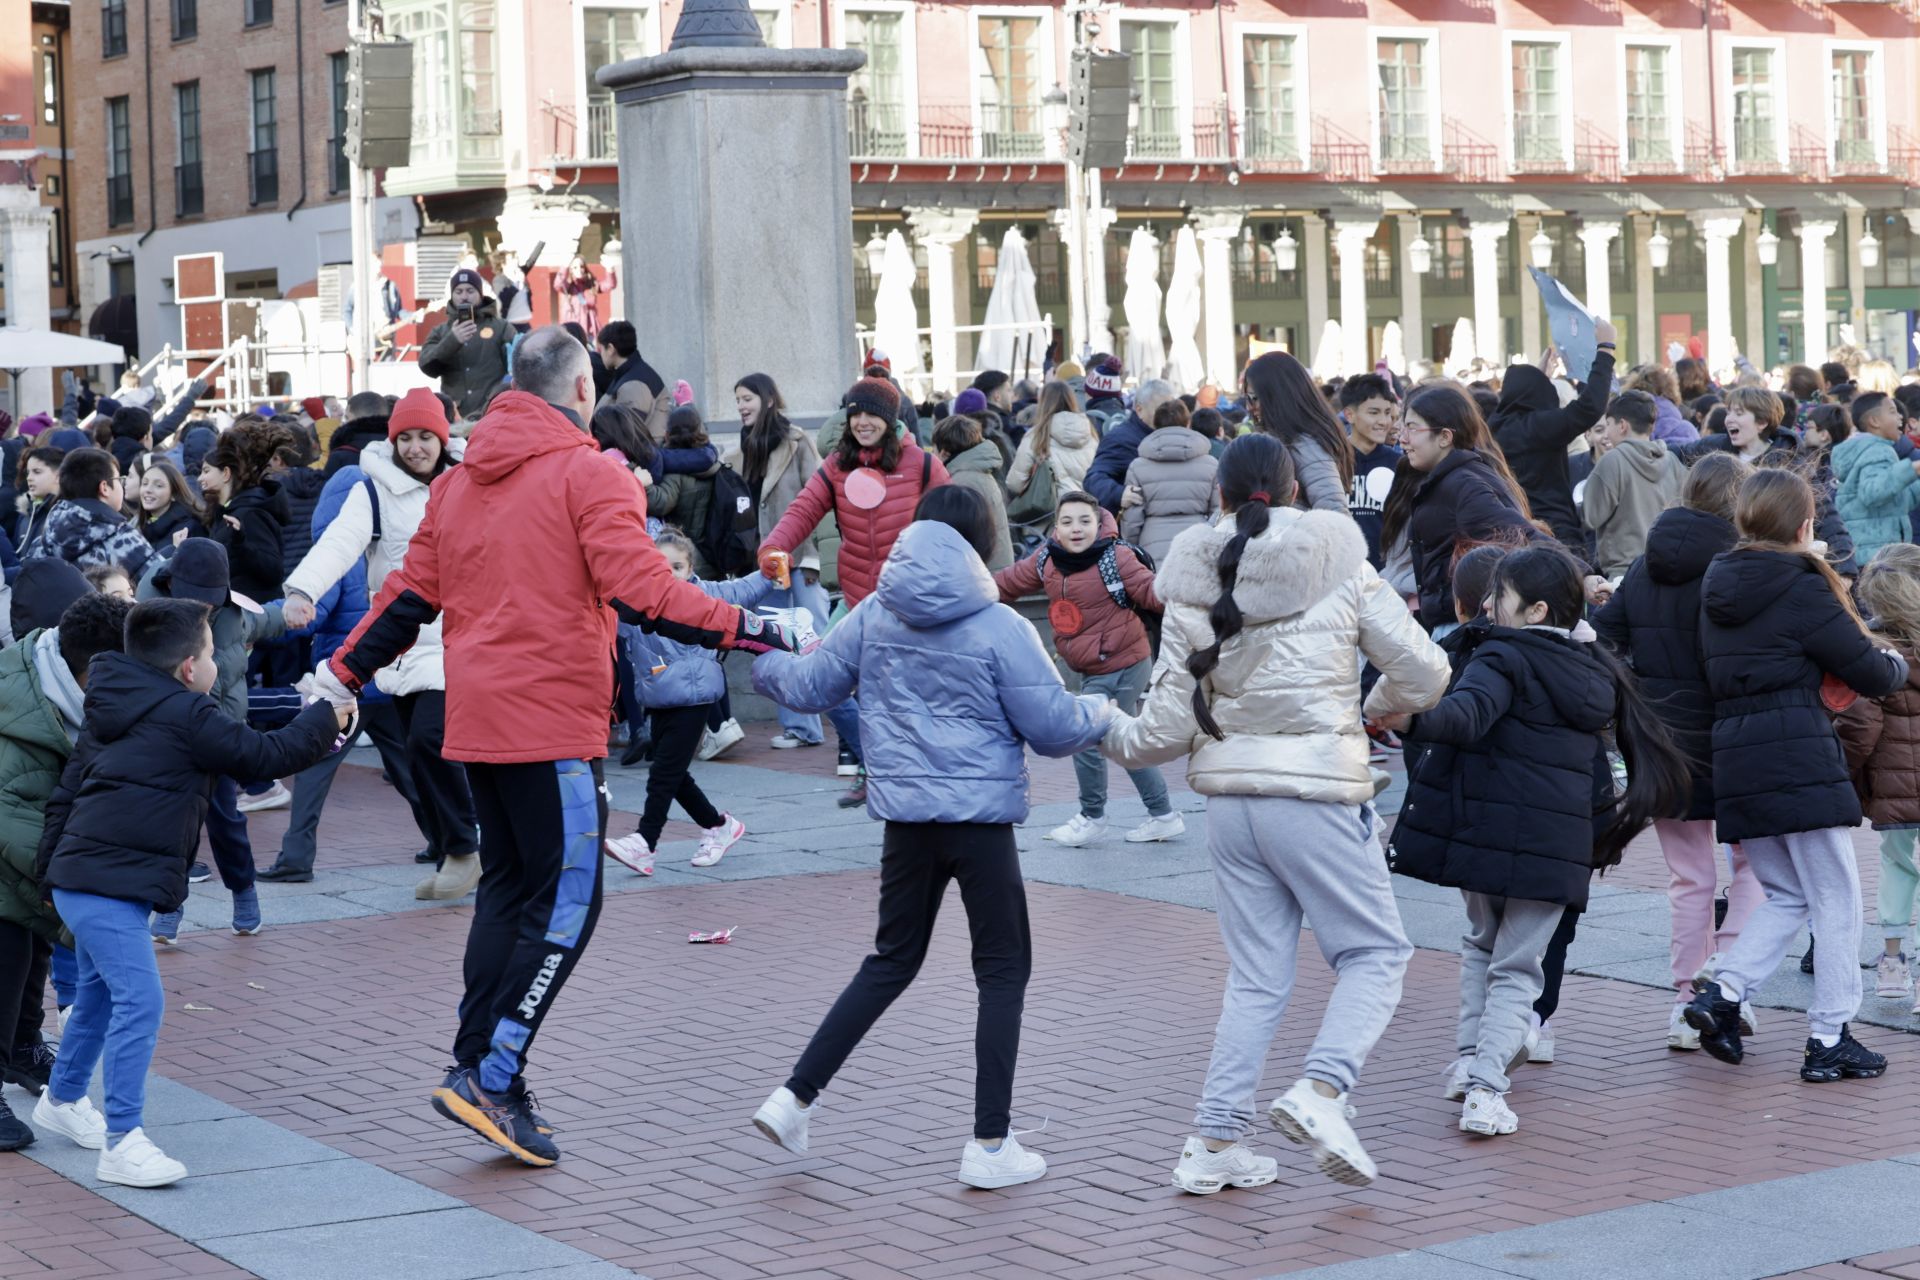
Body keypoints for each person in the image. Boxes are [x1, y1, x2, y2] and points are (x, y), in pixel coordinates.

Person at [311, 326, 799, 1168]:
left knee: (509, 895)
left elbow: (404, 600)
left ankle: (475, 1064)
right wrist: (756, 629)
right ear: (582, 392)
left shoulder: (458, 485)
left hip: (481, 722)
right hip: (552, 727)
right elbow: (645, 592)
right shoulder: (589, 471)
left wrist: (342, 674)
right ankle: (492, 1076)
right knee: (569, 905)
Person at [1103, 433, 1449, 1189]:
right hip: (1317, 788)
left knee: (1257, 977)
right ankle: (1323, 1088)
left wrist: (1096, 726)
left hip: (1230, 800)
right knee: (1377, 954)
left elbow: (1160, 731)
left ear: (1217, 497)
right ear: (1294, 490)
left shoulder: (1192, 577)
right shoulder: (1341, 562)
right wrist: (1371, 713)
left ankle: (1215, 1143)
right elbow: (1426, 670)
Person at [748, 486, 1113, 1189]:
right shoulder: (1001, 625)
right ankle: (989, 1142)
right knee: (1002, 970)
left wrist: (755, 652)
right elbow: (1055, 729)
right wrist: (1103, 710)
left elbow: (810, 684)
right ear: (979, 543)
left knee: (890, 960)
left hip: (906, 821)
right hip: (979, 826)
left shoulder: (873, 613)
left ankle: (792, 1098)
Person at [30, 597, 346, 1188]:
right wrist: (327, 717)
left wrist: (51, 874)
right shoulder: (187, 714)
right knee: (140, 1001)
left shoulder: (116, 705)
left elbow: (67, 792)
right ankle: (123, 1141)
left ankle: (63, 1097)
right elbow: (266, 755)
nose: (217, 664)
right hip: (104, 884)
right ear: (188, 668)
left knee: (99, 996)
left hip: (84, 877)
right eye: (210, 653)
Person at [1378, 545, 1686, 1136]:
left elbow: (1464, 716)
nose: (1491, 606)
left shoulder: (1501, 657)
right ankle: (1485, 1084)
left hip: (1483, 834)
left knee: (1481, 947)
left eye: (1503, 597)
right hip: (1555, 842)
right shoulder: (1595, 669)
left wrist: (1410, 718)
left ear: (1537, 610)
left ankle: (1475, 1068)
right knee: (1519, 966)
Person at [1686, 470, 1908, 1080]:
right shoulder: (1802, 584)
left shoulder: (1717, 580)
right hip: (1796, 749)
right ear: (1805, 524)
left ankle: (1723, 993)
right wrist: (1894, 660)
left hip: (1735, 748)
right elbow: (1867, 669)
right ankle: (1830, 1033)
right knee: (1838, 897)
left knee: (1787, 892)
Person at [281, 388, 481, 901]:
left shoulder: (470, 479)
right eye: (406, 438)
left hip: (464, 635)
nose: (416, 448)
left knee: (430, 742)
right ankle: (448, 850)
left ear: (442, 437)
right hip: (403, 637)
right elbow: (339, 543)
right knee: (417, 756)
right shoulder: (371, 491)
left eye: (425, 437)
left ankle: (465, 850)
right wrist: (303, 590)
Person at [1593, 454, 1762, 1049]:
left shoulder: (1645, 565)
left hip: (1662, 739)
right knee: (1756, 867)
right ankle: (1728, 982)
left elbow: (1604, 633)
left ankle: (1688, 997)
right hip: (1734, 733)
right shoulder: (1739, 564)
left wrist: (1637, 695)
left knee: (1689, 877)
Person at [758, 376, 951, 806]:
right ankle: (872, 762)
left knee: (905, 694)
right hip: (858, 600)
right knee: (826, 680)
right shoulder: (836, 466)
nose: (863, 422)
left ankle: (908, 772)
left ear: (890, 418)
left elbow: (953, 523)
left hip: (909, 603)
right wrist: (774, 548)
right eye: (855, 414)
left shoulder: (922, 465)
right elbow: (803, 510)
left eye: (872, 414)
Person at [0, 593, 131, 1150]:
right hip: (14, 850)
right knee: (6, 948)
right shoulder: (20, 709)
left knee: (32, 944)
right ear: (91, 671)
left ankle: (25, 1044)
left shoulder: (66, 692)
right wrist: (68, 880)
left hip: (29, 855)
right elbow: (11, 818)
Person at [994, 492, 1174, 847]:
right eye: (1067, 522)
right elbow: (1008, 582)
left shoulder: (1116, 556)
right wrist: (968, 591)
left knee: (1088, 737)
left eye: (1084, 521)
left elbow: (1154, 594)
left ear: (1098, 523)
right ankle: (1163, 814)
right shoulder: (1047, 558)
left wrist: (1190, 592)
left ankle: (1093, 816)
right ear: (1056, 528)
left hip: (1125, 660)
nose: (1076, 529)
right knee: (1121, 741)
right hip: (1089, 664)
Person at [603, 529, 775, 876]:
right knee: (673, 773)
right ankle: (718, 826)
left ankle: (644, 843)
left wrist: (768, 573)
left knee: (663, 774)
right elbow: (605, 617)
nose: (670, 573)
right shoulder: (639, 600)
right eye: (661, 566)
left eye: (677, 566)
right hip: (659, 698)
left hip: (694, 698)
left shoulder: (703, 592)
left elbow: (741, 590)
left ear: (691, 568)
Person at [1378, 385, 1544, 633]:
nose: (1402, 438)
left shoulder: (1462, 482)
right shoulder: (1449, 476)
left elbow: (1520, 532)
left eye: (1412, 428)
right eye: (1403, 427)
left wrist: (1581, 576)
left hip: (1461, 622)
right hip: (1451, 615)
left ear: (1445, 437)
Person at [727, 373, 834, 753]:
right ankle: (800, 728)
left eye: (747, 398)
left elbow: (822, 501)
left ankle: (844, 717)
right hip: (766, 566)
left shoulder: (797, 442)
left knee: (814, 641)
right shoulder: (737, 452)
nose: (740, 406)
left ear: (768, 399)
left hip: (801, 558)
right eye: (737, 399)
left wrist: (815, 558)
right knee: (778, 641)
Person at [1836, 545, 1920, 1005]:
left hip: (1892, 788)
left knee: (1896, 865)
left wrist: (1846, 776)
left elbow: (1859, 727)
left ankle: (1893, 962)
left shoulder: (1872, 652)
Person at [1487, 321, 1620, 548]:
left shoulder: (1493, 429)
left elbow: (1524, 395)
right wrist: (1605, 349)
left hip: (1510, 533)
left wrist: (1537, 378)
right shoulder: (1538, 428)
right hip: (1554, 534)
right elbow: (1589, 408)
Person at [1583, 390, 1687, 580]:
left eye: (1608, 425)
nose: (1606, 432)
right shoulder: (1672, 461)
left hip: (1624, 572)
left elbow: (1591, 516)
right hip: (1668, 568)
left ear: (1622, 425)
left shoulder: (1613, 461)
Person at [1242, 352, 1353, 514]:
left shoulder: (1306, 444)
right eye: (1247, 398)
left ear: (1280, 395)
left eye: (1254, 398)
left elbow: (1335, 513)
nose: (1248, 407)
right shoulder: (1287, 439)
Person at [199, 418, 295, 604]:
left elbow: (274, 572)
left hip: (253, 619)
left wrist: (241, 543)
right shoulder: (224, 511)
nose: (200, 478)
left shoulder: (250, 513)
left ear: (226, 474)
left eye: (206, 471)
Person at [23, 448, 151, 581]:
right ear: (104, 487)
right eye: (119, 479)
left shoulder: (43, 541)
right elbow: (157, 584)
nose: (121, 484)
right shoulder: (124, 540)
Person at [1120, 400, 1220, 564]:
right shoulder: (1210, 464)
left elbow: (1132, 518)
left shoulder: (1137, 467)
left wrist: (1133, 547)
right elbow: (1218, 511)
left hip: (1151, 545)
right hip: (1198, 543)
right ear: (1188, 423)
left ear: (1155, 425)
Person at [1832, 391, 1920, 569]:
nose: (1901, 417)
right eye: (1893, 411)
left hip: (1866, 554)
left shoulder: (1867, 449)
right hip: (1876, 558)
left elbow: (1897, 502)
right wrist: (1913, 468)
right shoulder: (1877, 450)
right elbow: (1872, 492)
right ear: (1874, 421)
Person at [419, 268, 514, 421]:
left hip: (492, 412)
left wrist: (502, 394)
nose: (464, 296)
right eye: (458, 291)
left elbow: (515, 366)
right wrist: (452, 340)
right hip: (455, 416)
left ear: (480, 294)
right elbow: (427, 367)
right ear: (451, 295)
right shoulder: (440, 331)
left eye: (470, 290)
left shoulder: (501, 327)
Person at [931, 415, 1014, 571]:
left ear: (944, 453)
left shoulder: (961, 482)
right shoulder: (976, 472)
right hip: (995, 570)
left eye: (933, 449)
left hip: (983, 575)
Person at [1005, 381, 1096, 521]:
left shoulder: (1036, 436)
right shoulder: (1091, 435)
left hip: (1049, 518)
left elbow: (1014, 483)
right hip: (1087, 515)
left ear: (1043, 404)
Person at [1339, 375, 1403, 569]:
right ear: (1350, 415)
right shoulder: (1331, 461)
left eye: (1387, 414)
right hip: (1339, 572)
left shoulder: (1398, 464)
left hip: (1385, 575)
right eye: (1374, 413)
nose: (1383, 421)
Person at [594, 319, 669, 440]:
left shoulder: (634, 384)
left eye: (600, 349)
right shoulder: (629, 374)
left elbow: (627, 437)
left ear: (611, 349)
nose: (599, 354)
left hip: (637, 458)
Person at [127, 453, 206, 548]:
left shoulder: (187, 529)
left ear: (173, 494)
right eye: (145, 483)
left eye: (158, 485)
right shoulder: (145, 527)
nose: (148, 490)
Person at [15, 444, 64, 555]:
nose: (29, 478)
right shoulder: (27, 513)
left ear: (58, 476)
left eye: (37, 472)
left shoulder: (66, 517)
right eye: (28, 472)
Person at [552, 256, 613, 340]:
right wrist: (564, 267)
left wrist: (609, 269)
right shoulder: (568, 285)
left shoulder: (590, 284)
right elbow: (558, 285)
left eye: (581, 266)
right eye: (575, 267)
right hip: (573, 331)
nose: (579, 269)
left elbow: (609, 285)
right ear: (570, 270)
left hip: (590, 330)